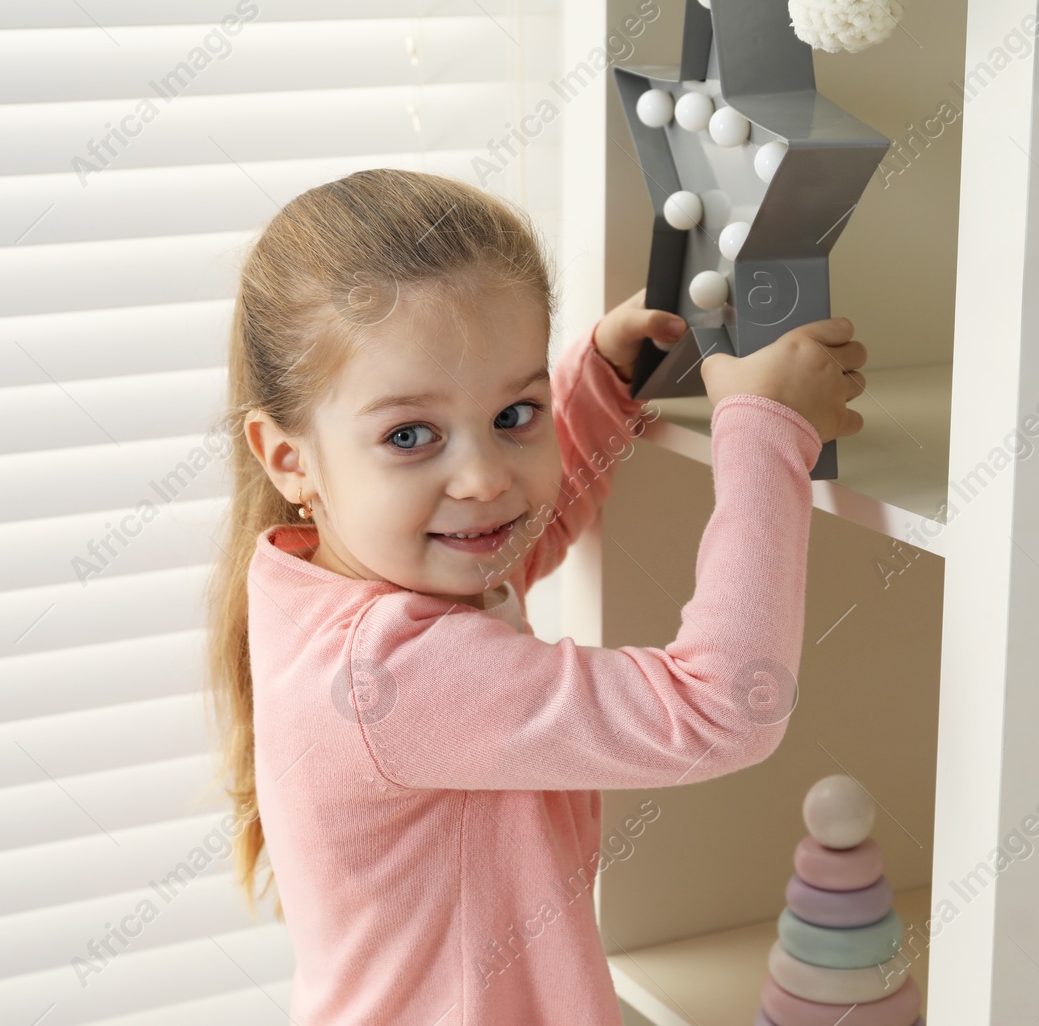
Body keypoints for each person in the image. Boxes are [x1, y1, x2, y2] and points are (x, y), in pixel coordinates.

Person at [206, 167, 867, 1024]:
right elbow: (725, 706)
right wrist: (768, 432)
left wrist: (600, 384)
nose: (483, 479)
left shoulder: (318, 577)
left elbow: (513, 554)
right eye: (411, 435)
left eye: (515, 414)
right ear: (288, 456)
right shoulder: (392, 674)